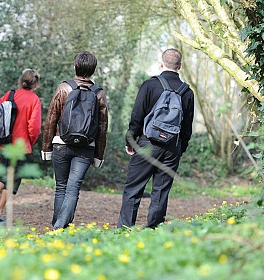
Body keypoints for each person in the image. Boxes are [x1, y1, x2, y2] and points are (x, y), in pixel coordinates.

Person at [117, 48, 195, 229]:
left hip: (147, 144)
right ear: (180, 66)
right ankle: (153, 230)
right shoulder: (187, 92)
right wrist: (179, 149)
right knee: (161, 191)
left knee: (133, 189)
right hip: (172, 147)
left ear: (161, 63)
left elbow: (137, 116)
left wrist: (131, 141)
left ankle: (125, 229)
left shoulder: (150, 85)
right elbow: (187, 128)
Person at [41, 51, 109, 230]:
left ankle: (58, 228)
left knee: (61, 187)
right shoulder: (99, 94)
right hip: (86, 147)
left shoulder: (63, 88)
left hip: (61, 144)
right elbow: (102, 127)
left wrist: (46, 148)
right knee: (73, 189)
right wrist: (98, 155)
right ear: (93, 70)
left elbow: (50, 120)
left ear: (75, 66)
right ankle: (60, 227)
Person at [0, 69, 42, 222]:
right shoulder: (34, 100)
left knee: (2, 175)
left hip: (4, 144)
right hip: (20, 146)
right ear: (35, 84)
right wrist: (30, 141)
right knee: (11, 181)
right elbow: (35, 127)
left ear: (21, 81)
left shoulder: (9, 95)